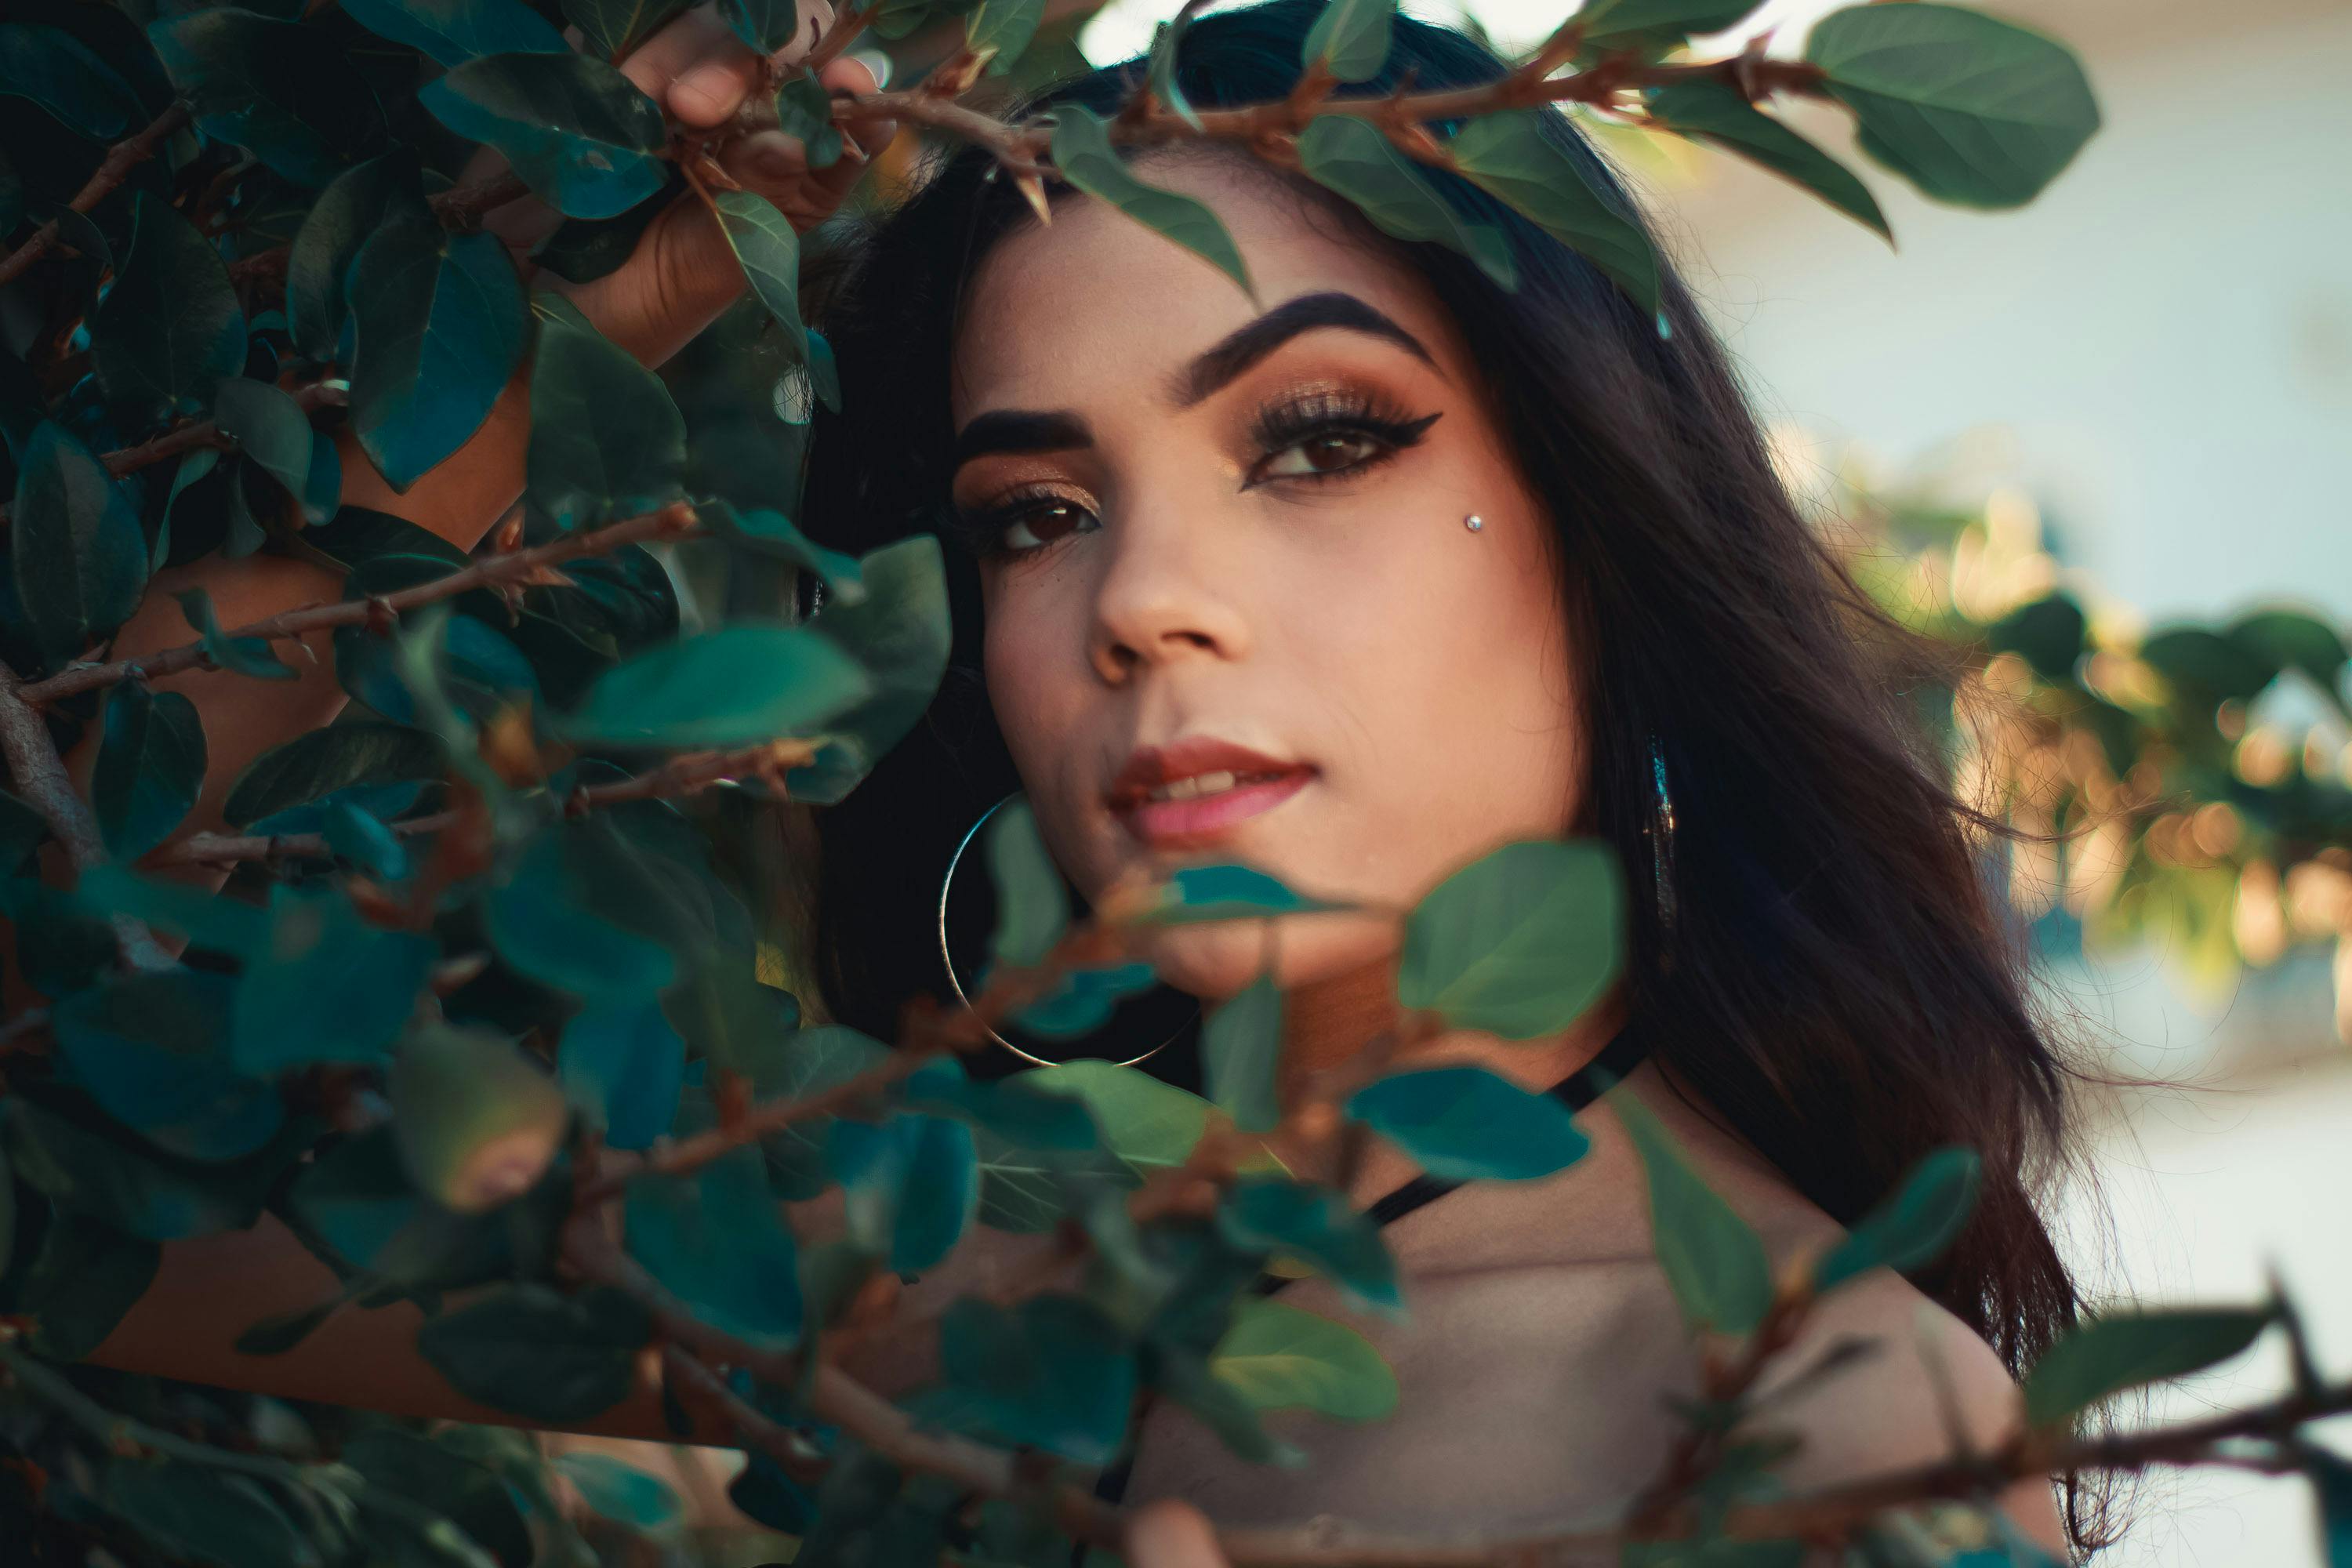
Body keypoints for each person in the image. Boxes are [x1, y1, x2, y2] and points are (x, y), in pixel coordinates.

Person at [70, 0, 2097, 1558]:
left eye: (1316, 438)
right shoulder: (979, 1304)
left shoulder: (1823, 1427)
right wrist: (570, 313)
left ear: (1605, 534)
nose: (1141, 603)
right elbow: (88, 1170)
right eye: (1034, 513)